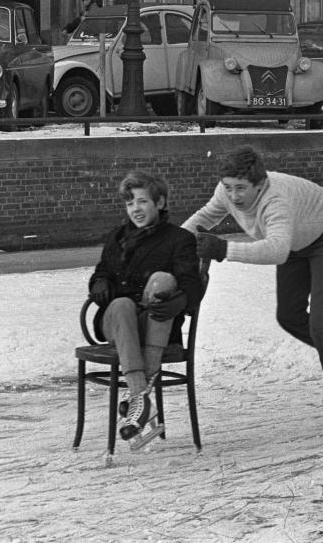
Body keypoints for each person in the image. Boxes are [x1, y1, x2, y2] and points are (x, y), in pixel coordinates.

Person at [183, 146, 323, 438]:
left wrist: (223, 249)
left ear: (259, 185)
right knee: (289, 315)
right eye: (229, 188)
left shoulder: (275, 200)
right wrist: (170, 245)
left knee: (321, 320)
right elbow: (204, 218)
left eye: (241, 189)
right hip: (294, 242)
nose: (234, 196)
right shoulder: (226, 191)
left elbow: (276, 249)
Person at [89, 171, 202, 444]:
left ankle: (137, 402)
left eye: (141, 202)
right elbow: (101, 270)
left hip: (155, 320)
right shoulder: (118, 237)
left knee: (163, 280)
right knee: (122, 304)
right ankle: (142, 395)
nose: (135, 210)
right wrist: (99, 282)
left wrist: (181, 299)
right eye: (130, 204)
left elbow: (191, 283)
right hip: (116, 320)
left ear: (160, 202)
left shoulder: (179, 239)